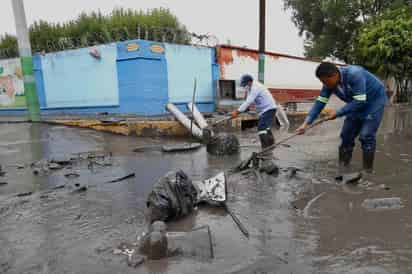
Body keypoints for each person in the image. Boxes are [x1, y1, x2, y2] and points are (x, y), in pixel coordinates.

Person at [296, 62, 388, 173]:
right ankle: (343, 168)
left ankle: (367, 171)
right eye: (322, 82)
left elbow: (360, 101)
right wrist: (306, 123)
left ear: (334, 75)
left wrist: (338, 113)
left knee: (366, 135)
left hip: (374, 101)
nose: (324, 84)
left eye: (325, 81)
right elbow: (320, 102)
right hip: (355, 102)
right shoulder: (329, 84)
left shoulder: (354, 74)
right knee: (346, 136)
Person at [231, 74, 278, 150]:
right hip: (265, 109)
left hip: (269, 109)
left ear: (249, 82)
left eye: (245, 85)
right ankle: (271, 144)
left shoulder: (256, 87)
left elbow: (248, 102)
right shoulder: (251, 87)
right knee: (266, 127)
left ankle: (265, 149)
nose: (244, 86)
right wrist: (244, 109)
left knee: (261, 127)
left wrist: (237, 112)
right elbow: (248, 101)